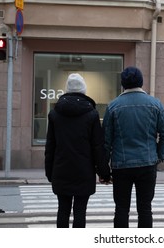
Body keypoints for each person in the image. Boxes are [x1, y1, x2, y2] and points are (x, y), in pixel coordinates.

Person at [102, 66, 164, 228]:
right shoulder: (155, 104)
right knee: (145, 209)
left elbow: (106, 141)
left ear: (123, 84)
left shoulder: (113, 106)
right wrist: (158, 156)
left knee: (121, 209)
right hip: (147, 163)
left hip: (121, 165)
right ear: (141, 82)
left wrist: (104, 168)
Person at [45, 73, 111, 228]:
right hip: (84, 171)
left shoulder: (55, 113)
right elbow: (97, 146)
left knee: (63, 210)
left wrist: (49, 172)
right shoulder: (92, 114)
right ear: (84, 90)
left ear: (66, 89)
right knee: (80, 211)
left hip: (61, 170)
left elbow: (50, 146)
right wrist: (104, 173)